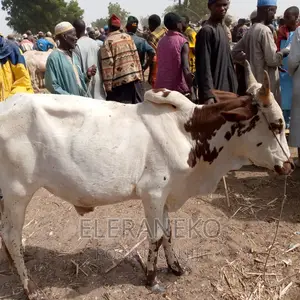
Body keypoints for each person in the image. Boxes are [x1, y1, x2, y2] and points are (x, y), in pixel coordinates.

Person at [232, 0, 290, 105]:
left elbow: (234, 52)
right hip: (267, 86)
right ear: (269, 10)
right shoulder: (265, 30)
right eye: (274, 12)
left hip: (253, 84)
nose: (274, 16)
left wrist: (249, 61)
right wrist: (283, 52)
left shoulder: (251, 29)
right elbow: (272, 60)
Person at [195, 0, 238, 104]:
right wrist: (209, 95)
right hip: (215, 95)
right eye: (218, 5)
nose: (223, 8)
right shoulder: (207, 31)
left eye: (225, 5)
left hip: (227, 91)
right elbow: (204, 66)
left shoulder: (222, 28)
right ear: (210, 7)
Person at [100, 14, 144, 103]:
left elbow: (108, 66)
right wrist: (140, 76)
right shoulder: (128, 37)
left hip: (120, 85)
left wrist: (108, 88)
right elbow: (136, 57)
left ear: (109, 27)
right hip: (134, 80)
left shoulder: (107, 42)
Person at [45, 21, 96, 96]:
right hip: (68, 105)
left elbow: (77, 81)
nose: (76, 38)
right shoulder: (54, 58)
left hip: (81, 102)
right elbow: (52, 86)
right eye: (74, 35)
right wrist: (71, 98)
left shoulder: (74, 55)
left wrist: (87, 75)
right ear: (64, 36)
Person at [155, 12, 193, 96]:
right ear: (177, 24)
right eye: (180, 22)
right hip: (176, 89)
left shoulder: (161, 41)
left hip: (160, 87)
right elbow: (186, 68)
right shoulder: (183, 41)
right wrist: (192, 90)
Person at [73, 19, 106, 100]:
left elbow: (77, 71)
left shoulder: (76, 46)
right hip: (98, 83)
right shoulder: (96, 43)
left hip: (86, 86)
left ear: (74, 30)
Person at [277, 7, 299, 128]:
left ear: (296, 17)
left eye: (288, 17)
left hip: (296, 71)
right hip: (283, 71)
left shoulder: (299, 32)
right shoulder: (280, 32)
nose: (284, 19)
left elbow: (291, 47)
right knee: (284, 98)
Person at [0, 33, 33, 101]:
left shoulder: (12, 50)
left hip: (9, 106)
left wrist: (9, 102)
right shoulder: (30, 42)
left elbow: (23, 82)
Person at [147, 14, 167, 87]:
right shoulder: (166, 30)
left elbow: (153, 57)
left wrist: (150, 75)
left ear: (152, 24)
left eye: (149, 25)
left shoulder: (152, 36)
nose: (149, 27)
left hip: (158, 68)